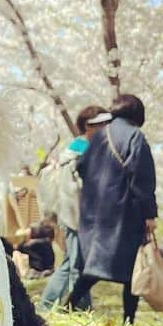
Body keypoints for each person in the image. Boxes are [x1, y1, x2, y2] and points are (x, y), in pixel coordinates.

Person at [68, 93, 158, 325]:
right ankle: (128, 321)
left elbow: (81, 167)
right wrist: (149, 213)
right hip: (124, 214)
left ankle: (68, 304)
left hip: (93, 214)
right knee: (131, 269)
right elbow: (142, 178)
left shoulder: (98, 136)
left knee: (95, 265)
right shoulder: (134, 136)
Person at [39, 104, 111, 311]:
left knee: (71, 261)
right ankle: (80, 308)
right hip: (76, 214)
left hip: (74, 213)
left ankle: (48, 305)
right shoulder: (80, 149)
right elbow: (75, 189)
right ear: (88, 126)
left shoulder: (78, 148)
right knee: (77, 264)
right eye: (101, 124)